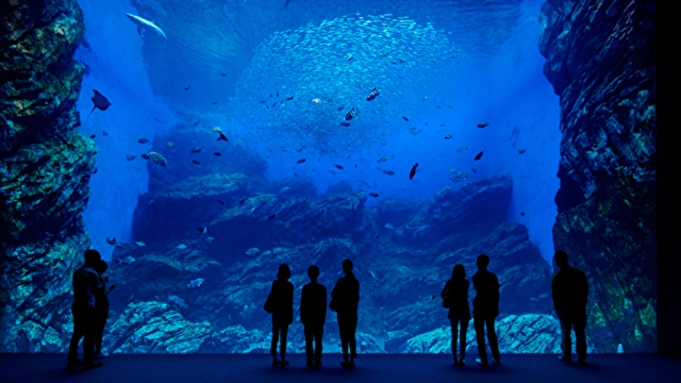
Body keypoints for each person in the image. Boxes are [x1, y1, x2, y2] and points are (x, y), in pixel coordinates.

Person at [551, 250, 589, 365]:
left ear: (556, 262)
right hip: (578, 306)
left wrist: (557, 308)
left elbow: (555, 295)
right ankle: (581, 356)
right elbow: (585, 289)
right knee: (580, 332)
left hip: (565, 308)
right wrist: (583, 302)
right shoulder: (579, 273)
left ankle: (566, 355)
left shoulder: (557, 277)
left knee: (566, 332)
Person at [67, 249, 103, 369]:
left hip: (77, 305)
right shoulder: (93, 273)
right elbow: (97, 291)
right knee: (90, 335)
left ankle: (72, 359)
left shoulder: (77, 272)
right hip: (88, 306)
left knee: (77, 334)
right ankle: (88, 360)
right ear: (95, 260)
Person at [330, 259, 360, 369]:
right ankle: (352, 359)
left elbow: (333, 293)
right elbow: (356, 298)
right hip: (352, 312)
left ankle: (346, 358)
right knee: (351, 335)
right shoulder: (355, 282)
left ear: (343, 268)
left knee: (343, 335)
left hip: (342, 312)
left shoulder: (341, 281)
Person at [472, 254, 500, 367]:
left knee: (480, 334)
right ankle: (496, 357)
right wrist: (496, 306)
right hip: (490, 306)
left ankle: (483, 358)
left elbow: (479, 290)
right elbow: (496, 293)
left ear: (478, 263)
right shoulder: (492, 276)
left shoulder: (475, 277)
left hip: (479, 306)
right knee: (491, 332)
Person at [441, 264, 471, 366]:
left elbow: (442, 294)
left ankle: (454, 358)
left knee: (454, 335)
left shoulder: (450, 282)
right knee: (463, 335)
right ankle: (462, 358)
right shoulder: (466, 283)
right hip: (464, 309)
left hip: (453, 310)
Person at [267, 263, 293, 368]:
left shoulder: (275, 283)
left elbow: (272, 297)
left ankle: (274, 359)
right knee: (283, 337)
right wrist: (291, 316)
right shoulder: (289, 285)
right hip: (285, 314)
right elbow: (290, 302)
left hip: (276, 313)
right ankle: (282, 359)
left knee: (275, 336)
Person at [300, 265, 327, 369]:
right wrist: (323, 319)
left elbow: (303, 304)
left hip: (308, 318)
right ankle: (317, 360)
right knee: (318, 341)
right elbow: (323, 305)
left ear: (308, 274)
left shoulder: (305, 288)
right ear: (318, 274)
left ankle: (309, 360)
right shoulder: (322, 288)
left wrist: (303, 317)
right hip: (318, 318)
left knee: (308, 341)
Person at [93, 259, 116, 360]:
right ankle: (97, 352)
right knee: (98, 331)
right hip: (100, 307)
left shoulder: (92, 277)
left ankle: (94, 351)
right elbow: (100, 294)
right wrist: (110, 289)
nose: (104, 272)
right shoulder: (97, 279)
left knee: (95, 331)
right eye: (103, 269)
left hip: (96, 306)